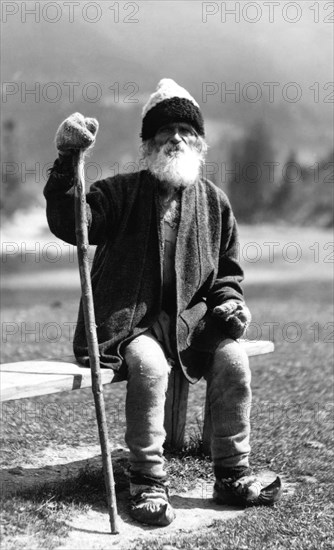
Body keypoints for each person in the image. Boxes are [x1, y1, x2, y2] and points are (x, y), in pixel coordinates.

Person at [44, 78, 282, 526]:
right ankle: (147, 481)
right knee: (151, 368)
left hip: (193, 326)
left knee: (234, 361)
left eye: (185, 131)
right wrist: (66, 161)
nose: (175, 137)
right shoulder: (118, 193)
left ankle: (232, 475)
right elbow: (73, 224)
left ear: (199, 142)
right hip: (131, 325)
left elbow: (227, 276)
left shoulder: (215, 204)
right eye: (164, 131)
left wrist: (232, 305)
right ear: (148, 143)